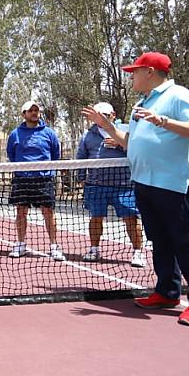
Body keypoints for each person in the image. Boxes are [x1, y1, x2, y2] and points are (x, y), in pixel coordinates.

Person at [83, 52, 189, 327]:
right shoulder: (140, 104)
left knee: (185, 243)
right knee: (160, 241)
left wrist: (164, 122)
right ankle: (167, 292)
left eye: (135, 71)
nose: (131, 75)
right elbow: (129, 142)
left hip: (173, 184)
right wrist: (106, 125)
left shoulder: (178, 95)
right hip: (144, 184)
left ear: (150, 72)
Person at [76, 101, 145, 268]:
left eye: (105, 115)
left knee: (131, 218)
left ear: (113, 115)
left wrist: (121, 144)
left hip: (124, 185)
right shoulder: (88, 135)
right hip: (96, 185)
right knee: (96, 218)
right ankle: (94, 249)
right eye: (98, 115)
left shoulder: (126, 130)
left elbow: (139, 151)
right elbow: (81, 157)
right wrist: (80, 177)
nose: (101, 118)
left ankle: (137, 252)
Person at [7, 101, 64, 261]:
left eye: (36, 110)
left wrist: (47, 171)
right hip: (22, 180)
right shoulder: (15, 134)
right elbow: (12, 155)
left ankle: (54, 246)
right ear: (23, 114)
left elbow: (55, 155)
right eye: (30, 110)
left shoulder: (49, 133)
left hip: (44, 179)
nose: (34, 113)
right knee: (21, 212)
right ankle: (20, 244)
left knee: (48, 212)